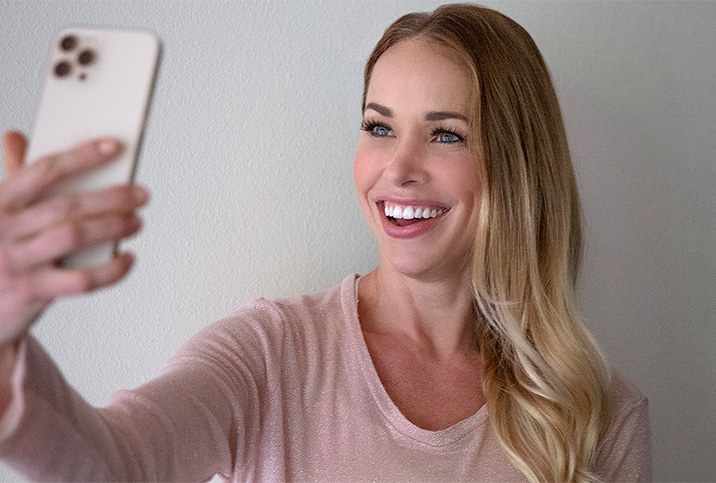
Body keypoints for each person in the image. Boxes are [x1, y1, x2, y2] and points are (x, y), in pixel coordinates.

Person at [0, 4, 651, 482]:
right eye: (379, 127)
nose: (398, 168)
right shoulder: (270, 354)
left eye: (445, 133)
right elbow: (119, 460)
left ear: (517, 166)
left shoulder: (600, 415)